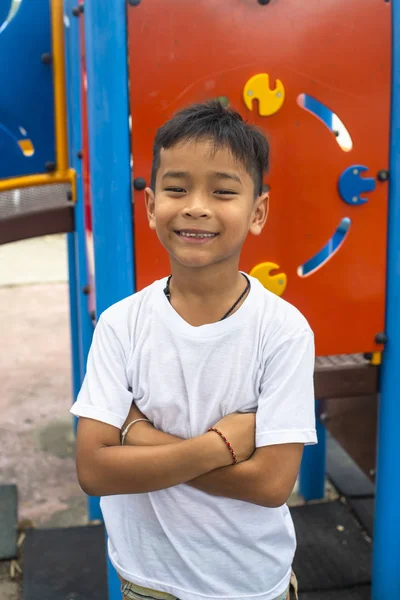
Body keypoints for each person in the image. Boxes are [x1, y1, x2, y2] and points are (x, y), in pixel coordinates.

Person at [71, 100, 317, 600]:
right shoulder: (122, 324)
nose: (196, 206)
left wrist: (138, 436)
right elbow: (94, 471)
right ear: (150, 205)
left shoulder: (283, 331)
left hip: (249, 583)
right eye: (176, 188)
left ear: (258, 212)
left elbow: (271, 484)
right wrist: (220, 446)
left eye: (223, 191)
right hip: (147, 582)